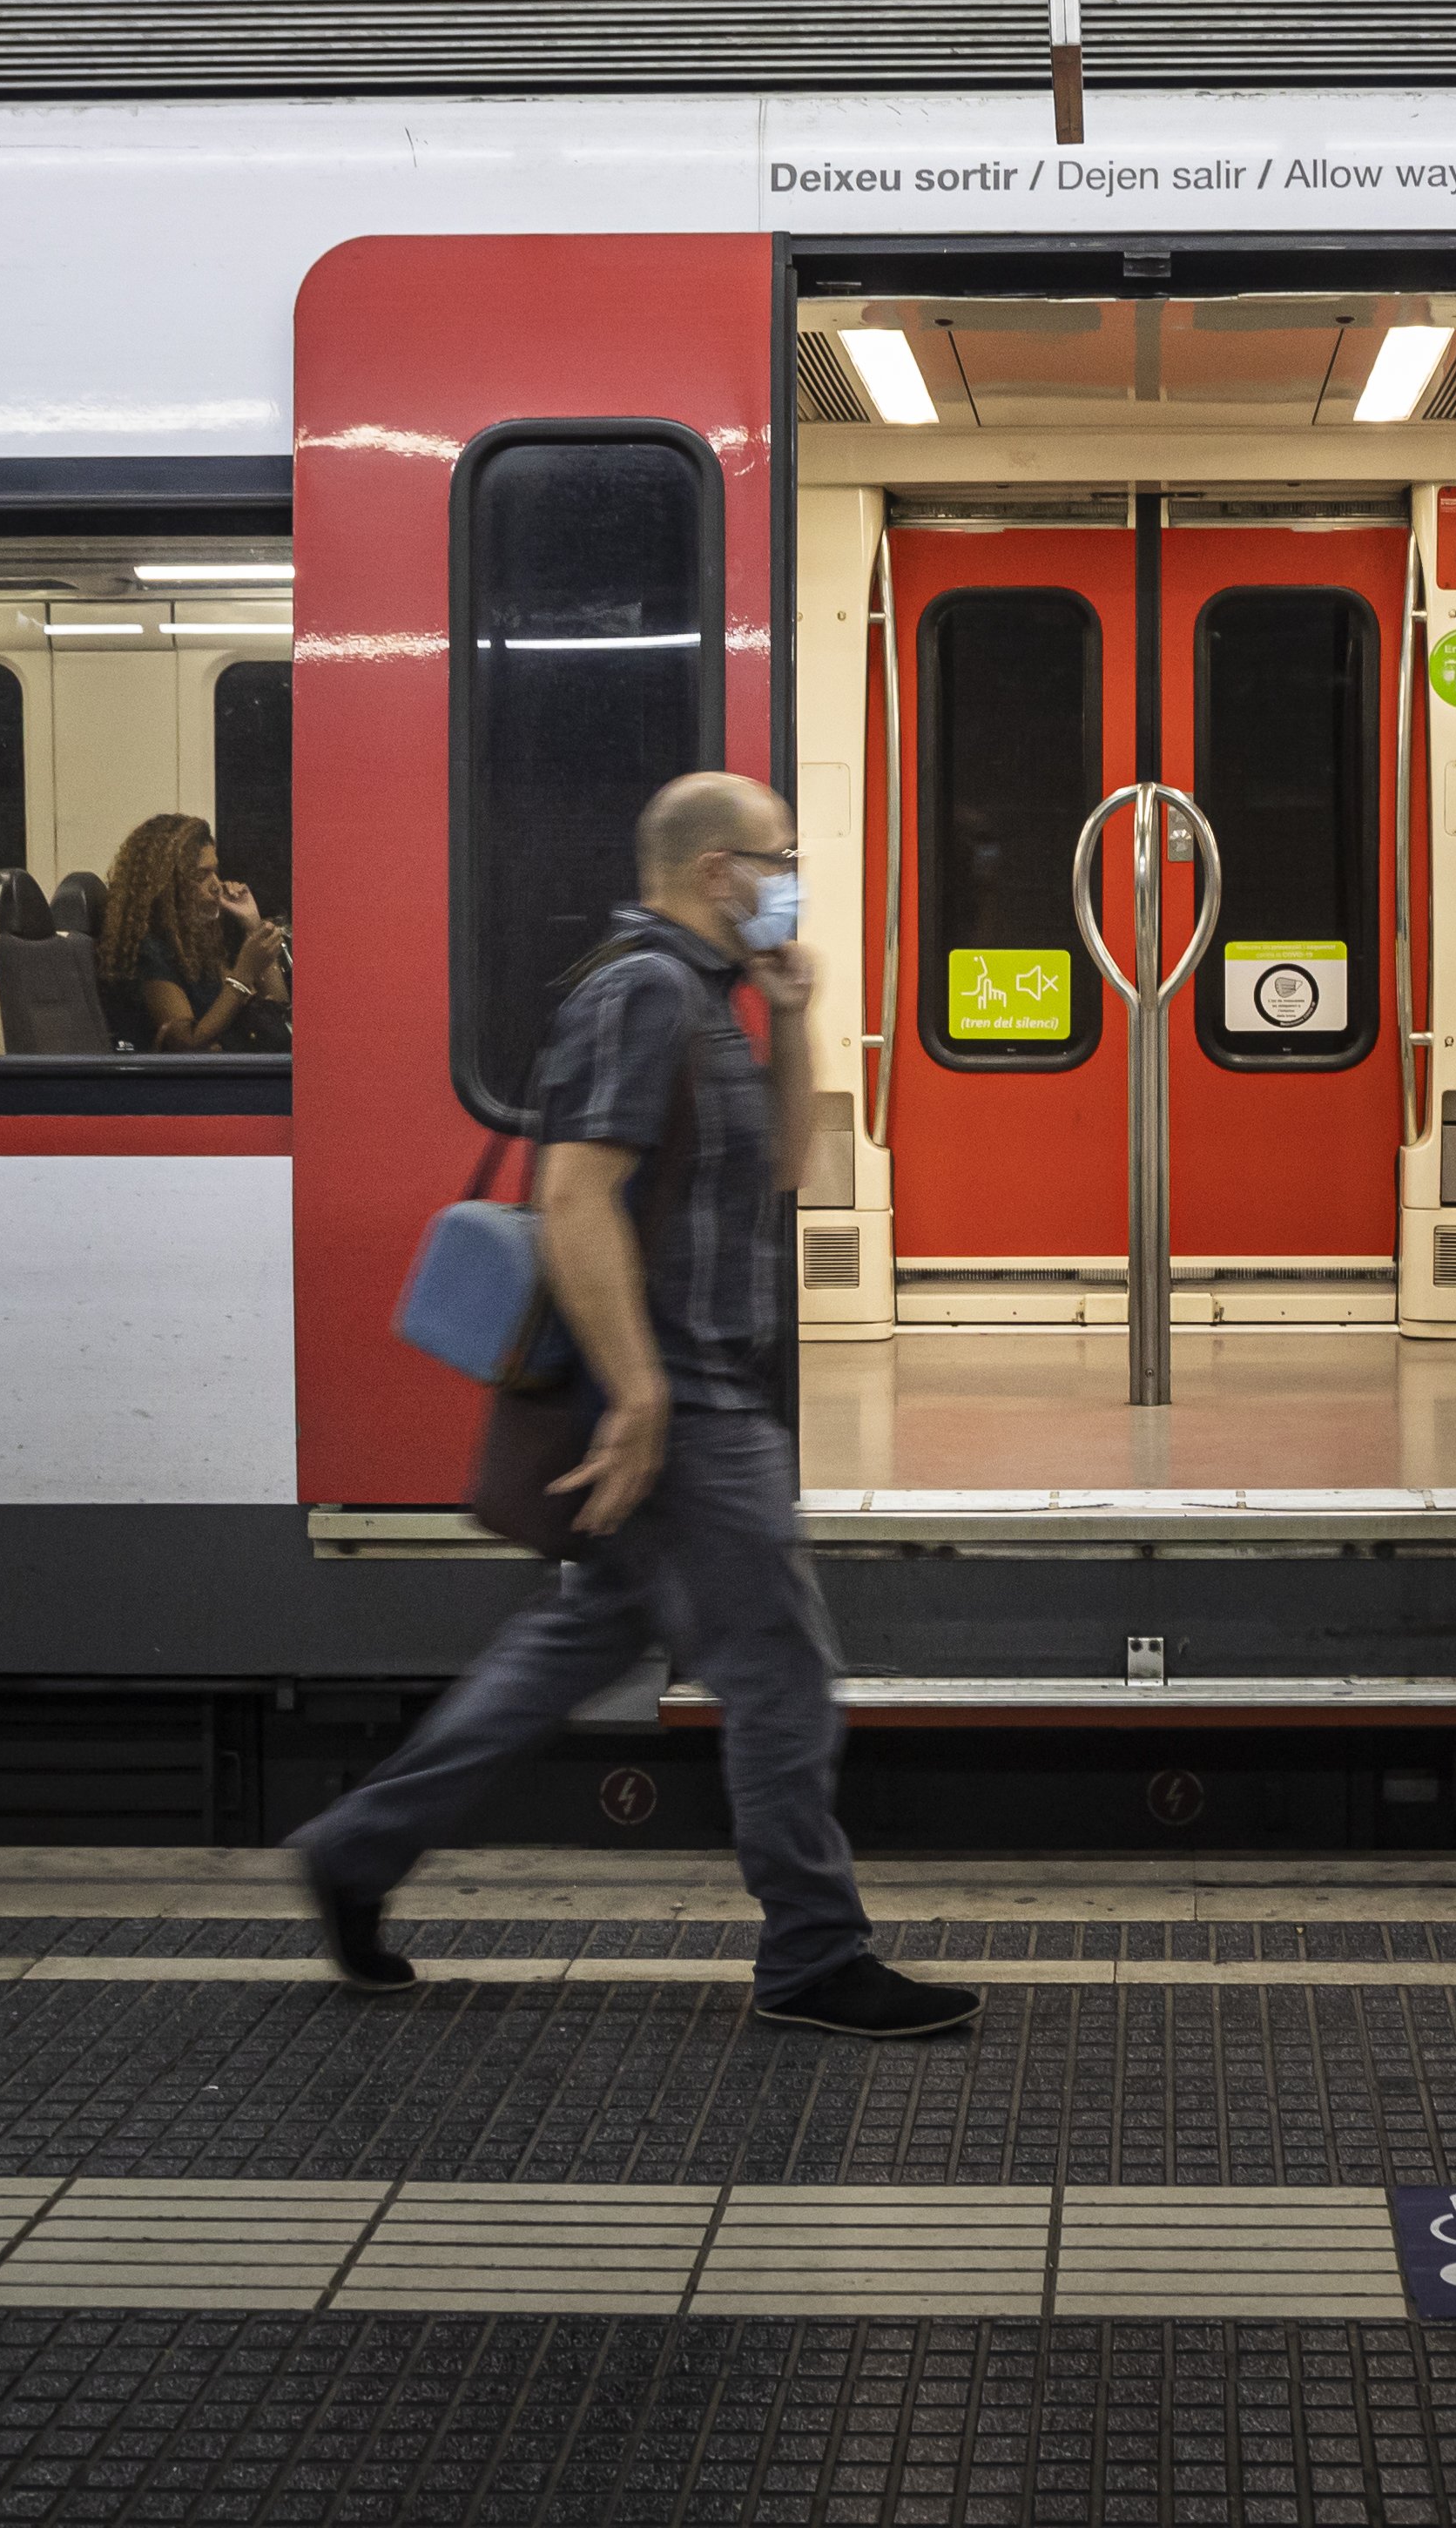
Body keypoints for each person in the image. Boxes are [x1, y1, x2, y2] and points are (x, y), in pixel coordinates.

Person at [292, 772, 974, 2042]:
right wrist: (644, 1394)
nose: (792, 876)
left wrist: (793, 1016)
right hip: (684, 1405)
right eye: (781, 857)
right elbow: (575, 1196)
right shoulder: (640, 991)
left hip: (700, 1391)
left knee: (570, 1651)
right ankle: (814, 1956)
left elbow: (783, 1167)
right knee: (783, 1680)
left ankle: (356, 1850)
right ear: (718, 870)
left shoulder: (712, 1000)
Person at [93, 811, 288, 1052]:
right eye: (200, 875)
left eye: (215, 872)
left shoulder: (196, 943)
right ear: (165, 885)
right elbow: (187, 1043)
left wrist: (252, 925)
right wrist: (243, 972)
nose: (216, 885)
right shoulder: (147, 950)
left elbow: (277, 1014)